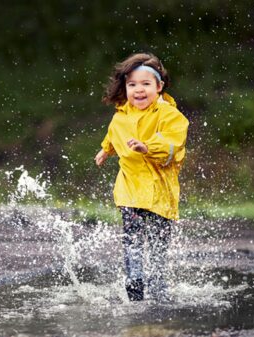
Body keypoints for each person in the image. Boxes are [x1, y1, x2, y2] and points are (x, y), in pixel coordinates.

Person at [95, 52, 189, 301]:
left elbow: (173, 143)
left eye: (146, 84)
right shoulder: (121, 115)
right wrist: (106, 150)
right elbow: (114, 132)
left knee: (158, 243)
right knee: (132, 238)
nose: (138, 90)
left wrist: (148, 148)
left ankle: (158, 283)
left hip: (159, 192)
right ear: (124, 87)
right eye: (132, 84)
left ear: (159, 87)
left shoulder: (170, 115)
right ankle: (134, 281)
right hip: (130, 189)